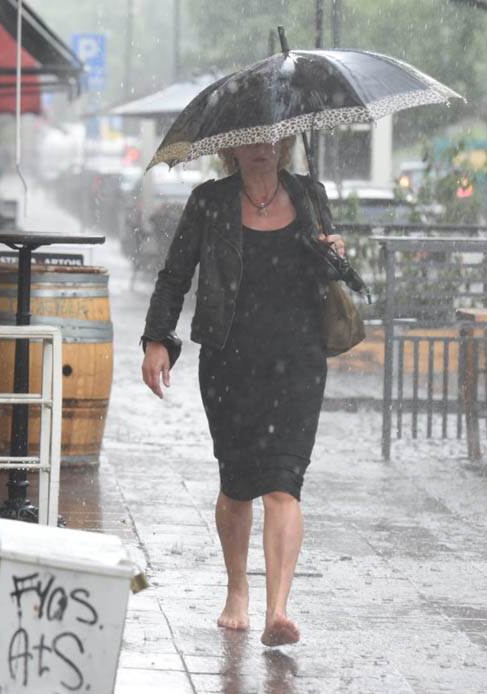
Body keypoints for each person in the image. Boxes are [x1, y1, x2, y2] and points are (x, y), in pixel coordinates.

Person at [140, 138, 344, 647]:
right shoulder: (210, 201)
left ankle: (278, 609)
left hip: (298, 360)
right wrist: (157, 339)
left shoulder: (309, 195)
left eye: (272, 137)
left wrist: (336, 256)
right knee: (237, 484)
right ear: (233, 146)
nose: (262, 147)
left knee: (283, 482)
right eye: (251, 138)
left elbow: (329, 280)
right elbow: (174, 276)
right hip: (231, 360)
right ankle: (237, 590)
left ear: (286, 141)